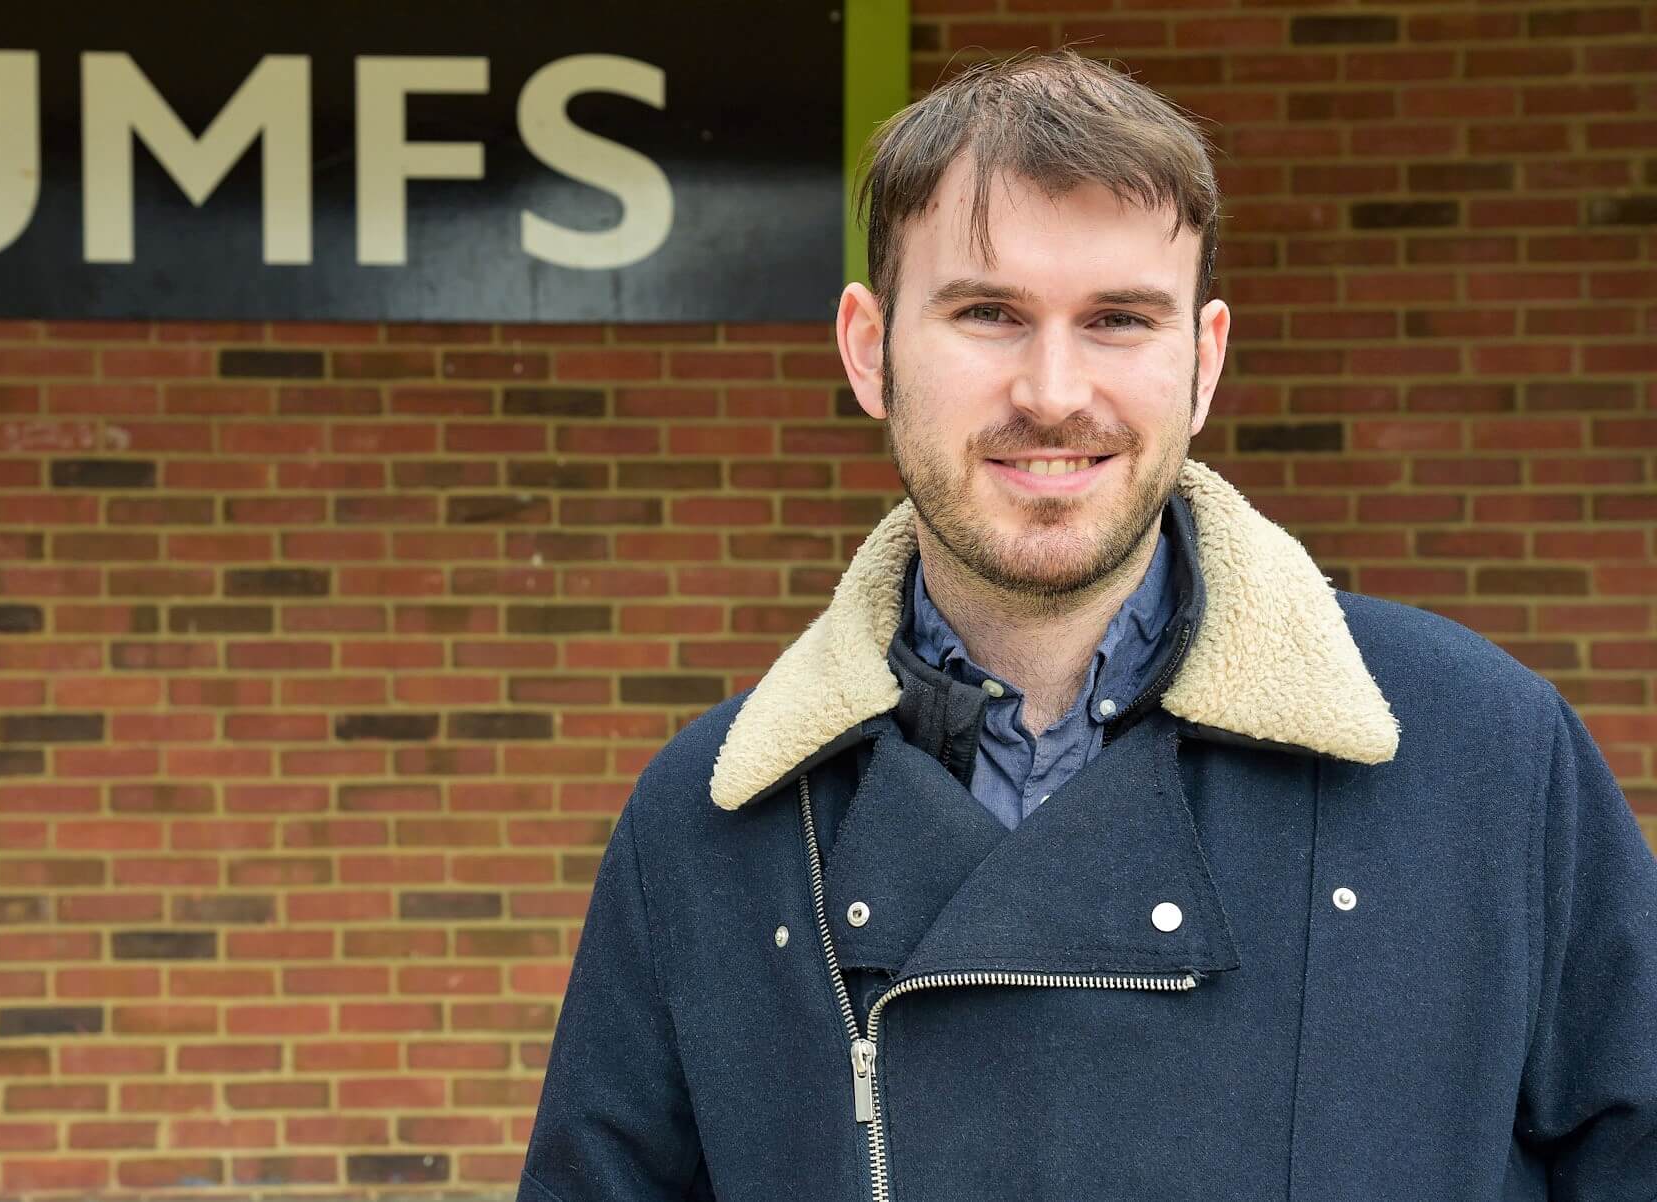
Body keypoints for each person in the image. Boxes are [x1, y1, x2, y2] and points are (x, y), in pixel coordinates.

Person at [517, 48, 1657, 1201]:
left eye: (1117, 318)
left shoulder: (1483, 752)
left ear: (1202, 361)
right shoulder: (705, 820)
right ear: (868, 350)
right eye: (987, 313)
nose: (1053, 392)